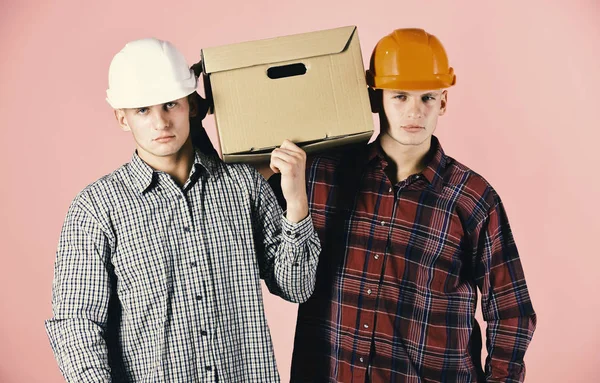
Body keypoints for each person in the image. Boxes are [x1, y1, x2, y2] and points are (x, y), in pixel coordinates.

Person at [45, 37, 320, 382]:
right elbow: (77, 325)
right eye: (143, 110)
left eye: (170, 104)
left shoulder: (244, 185)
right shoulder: (98, 208)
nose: (160, 122)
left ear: (190, 105)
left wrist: (295, 202)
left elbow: (297, 287)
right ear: (122, 118)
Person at [288, 28, 536, 382]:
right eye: (400, 96)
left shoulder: (472, 198)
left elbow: (511, 309)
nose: (414, 112)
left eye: (427, 98)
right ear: (376, 99)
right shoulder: (322, 175)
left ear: (444, 102)